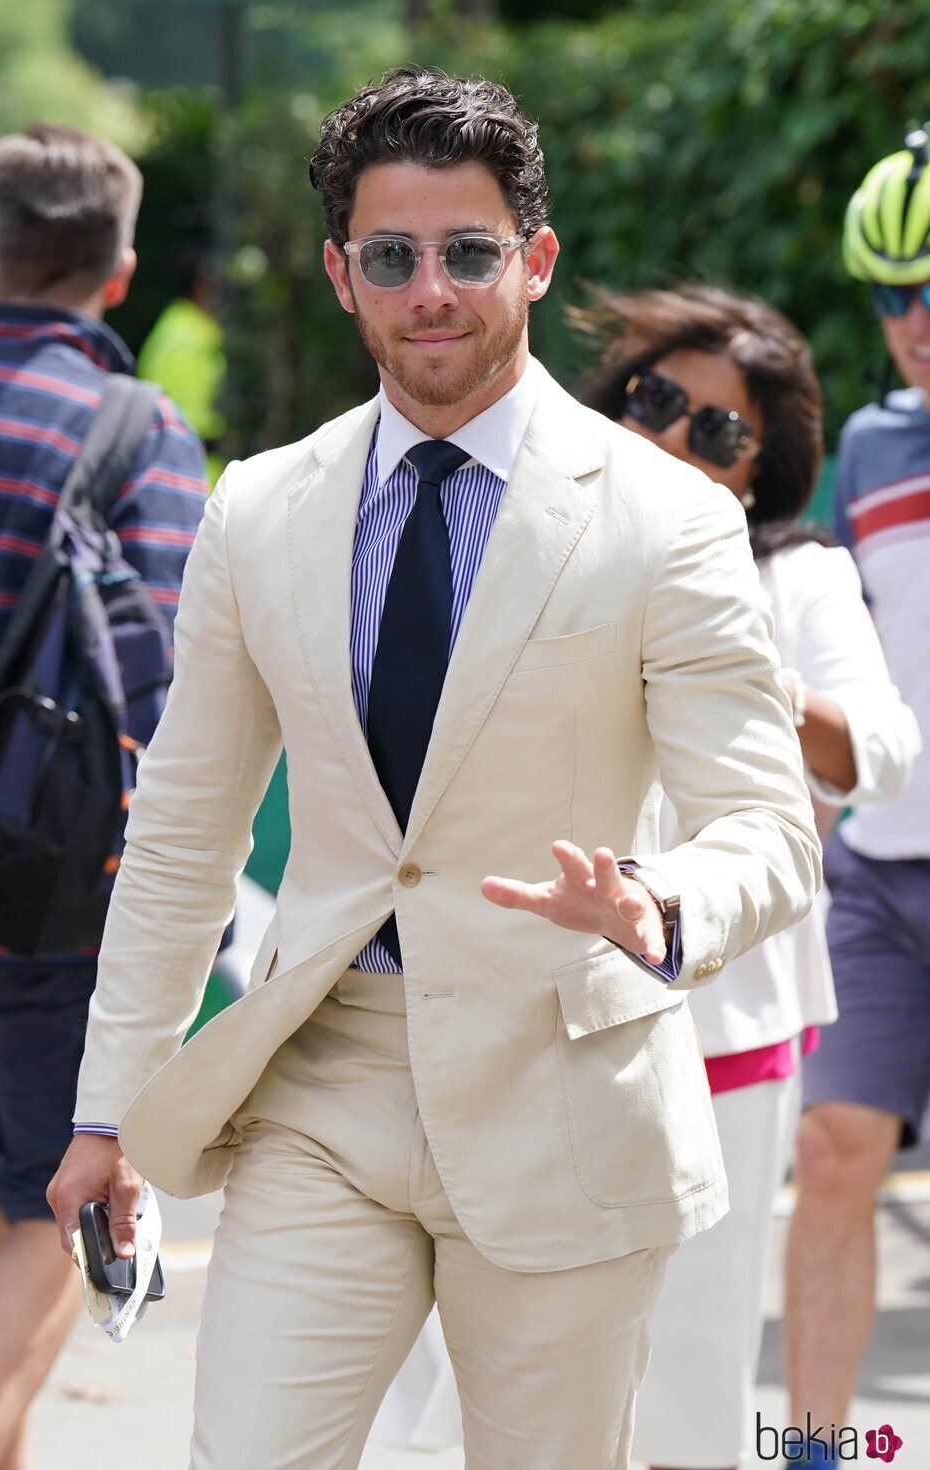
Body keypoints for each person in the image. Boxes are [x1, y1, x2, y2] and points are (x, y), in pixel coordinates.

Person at [48, 68, 821, 1470]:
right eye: (392, 257)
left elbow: (767, 827)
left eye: (467, 252)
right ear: (343, 274)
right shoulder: (258, 507)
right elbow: (182, 831)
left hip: (564, 1094)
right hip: (324, 1082)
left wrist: (658, 900)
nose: (432, 292)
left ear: (533, 259)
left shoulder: (669, 522)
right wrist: (108, 1102)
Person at [577, 284, 920, 1470]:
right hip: (543, 1027)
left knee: (687, 1388)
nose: (673, 435)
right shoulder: (525, 542)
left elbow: (876, 750)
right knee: (532, 1383)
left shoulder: (793, 579)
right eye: (657, 400)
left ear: (759, 470)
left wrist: (756, 679)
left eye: (717, 429)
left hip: (723, 1026)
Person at [0, 126, 209, 1470]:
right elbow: (172, 694)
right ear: (116, 278)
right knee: (64, 1219)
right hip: (48, 896)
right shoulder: (138, 432)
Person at [783, 125, 930, 1464]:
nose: (916, 321)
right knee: (832, 1151)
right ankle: (814, 1450)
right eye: (892, 295)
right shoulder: (872, 454)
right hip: (879, 867)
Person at [136, 238, 228, 485]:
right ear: (201, 286)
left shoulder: (173, 328)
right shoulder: (192, 338)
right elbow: (191, 424)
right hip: (192, 479)